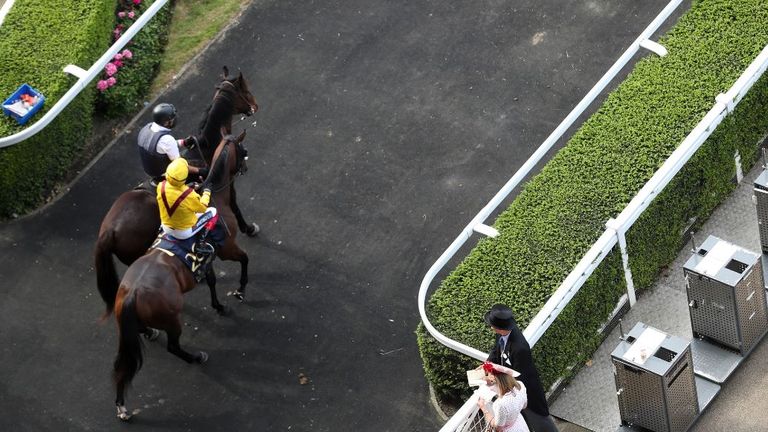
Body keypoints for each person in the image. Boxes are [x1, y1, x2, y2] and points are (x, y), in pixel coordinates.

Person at [486, 304, 559, 432]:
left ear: (500, 328)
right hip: (516, 390)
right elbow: (496, 349)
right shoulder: (502, 333)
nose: (491, 327)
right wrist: (487, 364)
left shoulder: (520, 348)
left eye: (493, 325)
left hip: (526, 392)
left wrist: (497, 379)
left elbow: (519, 376)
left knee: (539, 420)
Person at [156, 158, 216, 268]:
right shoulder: (189, 195)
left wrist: (189, 187)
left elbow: (174, 193)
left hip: (166, 228)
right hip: (184, 232)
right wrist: (207, 191)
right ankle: (200, 243)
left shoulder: (161, 186)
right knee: (213, 211)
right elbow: (202, 208)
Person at [138, 102, 206, 183]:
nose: (175, 119)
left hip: (151, 171)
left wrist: (184, 142)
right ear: (166, 122)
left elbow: (162, 147)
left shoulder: (146, 129)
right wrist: (200, 171)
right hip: (165, 175)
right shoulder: (167, 139)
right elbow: (181, 167)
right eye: (172, 119)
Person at [477, 361, 530, 432]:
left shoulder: (500, 404)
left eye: (488, 377)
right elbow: (524, 406)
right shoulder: (520, 385)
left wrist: (483, 407)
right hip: (520, 424)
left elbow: (498, 428)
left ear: (494, 380)